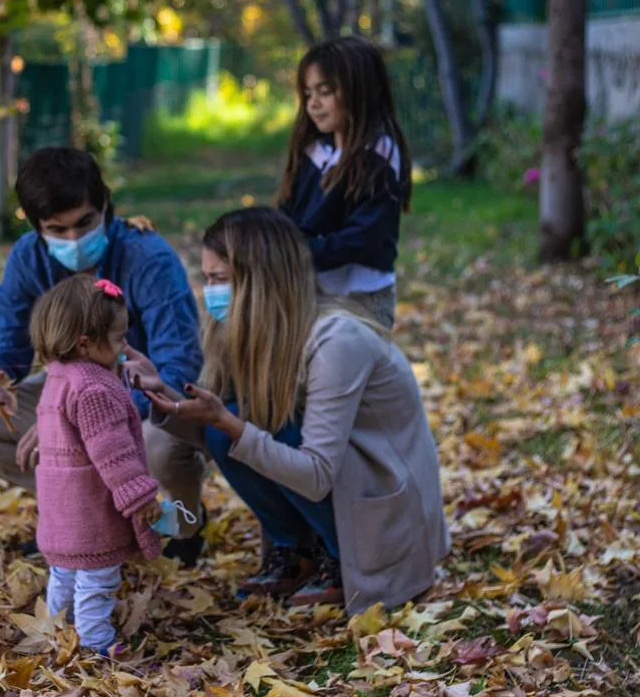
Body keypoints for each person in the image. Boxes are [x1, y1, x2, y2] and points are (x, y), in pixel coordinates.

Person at [136, 207, 449, 613]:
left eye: (219, 279)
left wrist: (226, 422)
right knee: (225, 430)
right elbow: (220, 430)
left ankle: (337, 555)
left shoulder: (337, 340)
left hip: (381, 499)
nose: (208, 291)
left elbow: (316, 474)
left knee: (237, 427)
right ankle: (296, 551)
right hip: (340, 479)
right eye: (207, 278)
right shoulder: (254, 331)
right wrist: (164, 395)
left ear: (259, 281)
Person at [0, 147, 209, 565]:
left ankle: (186, 525)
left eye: (85, 223)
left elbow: (178, 367)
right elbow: (10, 346)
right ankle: (78, 513)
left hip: (145, 401)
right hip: (67, 391)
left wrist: (71, 421)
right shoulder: (28, 256)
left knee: (160, 448)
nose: (74, 241)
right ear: (36, 226)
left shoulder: (150, 258)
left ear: (104, 207)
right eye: (58, 230)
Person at [30, 275, 163, 654]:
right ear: (86, 343)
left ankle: (54, 631)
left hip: (60, 512)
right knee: (97, 580)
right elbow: (113, 452)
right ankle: (95, 644)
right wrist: (140, 497)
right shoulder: (94, 388)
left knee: (65, 575)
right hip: (91, 513)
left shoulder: (60, 375)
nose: (125, 347)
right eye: (119, 339)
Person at [277, 37, 412, 330]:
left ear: (358, 92)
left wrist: (295, 252)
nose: (313, 104)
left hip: (359, 301)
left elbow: (361, 239)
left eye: (325, 92)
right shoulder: (313, 150)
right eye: (308, 92)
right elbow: (291, 215)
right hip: (309, 294)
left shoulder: (379, 155)